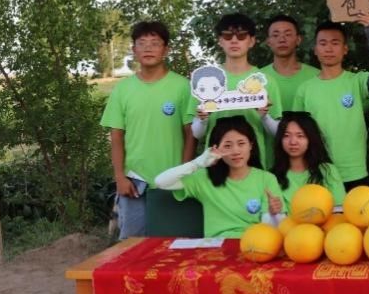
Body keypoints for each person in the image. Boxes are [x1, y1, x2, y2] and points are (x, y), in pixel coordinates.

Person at [100, 20, 194, 239]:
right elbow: (116, 137)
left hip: (172, 180)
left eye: (155, 43)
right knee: (133, 244)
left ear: (166, 49)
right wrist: (120, 177)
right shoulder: (123, 89)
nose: (148, 48)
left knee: (170, 242)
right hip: (135, 181)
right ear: (134, 50)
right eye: (142, 43)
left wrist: (185, 172)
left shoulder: (182, 87)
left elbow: (191, 135)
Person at [293, 15, 369, 190]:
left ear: (345, 49)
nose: (329, 48)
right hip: (317, 172)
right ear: (315, 49)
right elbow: (296, 131)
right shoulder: (304, 89)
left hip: (355, 172)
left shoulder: (356, 82)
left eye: (335, 43)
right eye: (323, 43)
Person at [155, 116, 284, 237]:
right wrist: (197, 163)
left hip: (254, 243)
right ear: (216, 148)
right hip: (216, 246)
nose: (235, 151)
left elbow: (272, 230)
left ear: (251, 145)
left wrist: (273, 215)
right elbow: (161, 181)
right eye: (227, 145)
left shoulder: (266, 179)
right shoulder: (204, 178)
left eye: (241, 143)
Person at [188, 13, 283, 169]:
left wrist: (265, 116)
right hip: (215, 163)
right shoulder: (205, 81)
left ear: (251, 41)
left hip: (254, 165)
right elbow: (197, 133)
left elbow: (277, 133)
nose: (234, 40)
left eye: (241, 36)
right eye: (227, 36)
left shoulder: (266, 81)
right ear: (220, 41)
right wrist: (202, 119)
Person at [270, 111, 346, 213]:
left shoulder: (328, 171)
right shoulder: (272, 177)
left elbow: (339, 213)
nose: (293, 142)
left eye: (300, 136)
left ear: (310, 138)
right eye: (286, 135)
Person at [260, 14, 319, 111]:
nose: (282, 40)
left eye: (288, 34)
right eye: (275, 35)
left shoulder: (317, 76)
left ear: (298, 40)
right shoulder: (258, 79)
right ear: (268, 42)